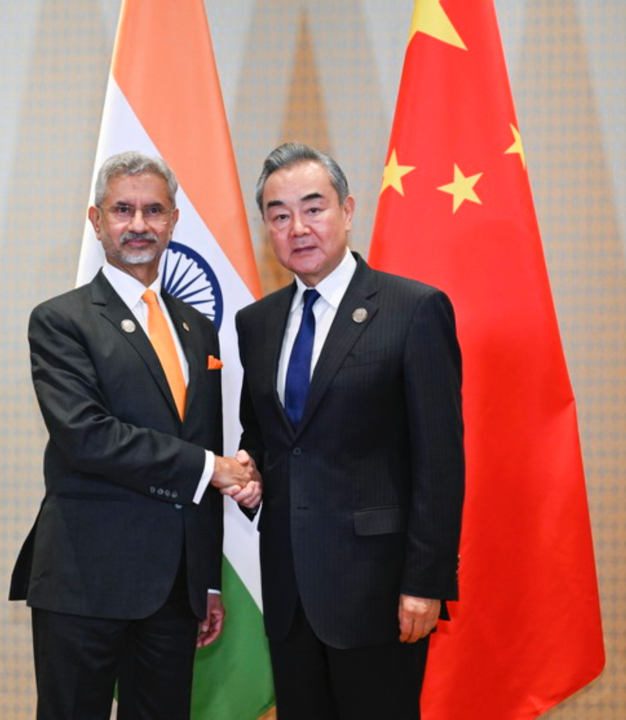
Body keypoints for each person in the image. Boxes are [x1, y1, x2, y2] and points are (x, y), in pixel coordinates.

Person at [9, 150, 261, 720]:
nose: (139, 225)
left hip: (173, 592)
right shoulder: (61, 320)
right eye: (123, 210)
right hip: (84, 582)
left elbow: (204, 434)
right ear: (96, 221)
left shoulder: (199, 330)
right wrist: (210, 468)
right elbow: (86, 435)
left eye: (153, 210)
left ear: (174, 221)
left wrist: (207, 584)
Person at [235, 143, 464, 719]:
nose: (298, 227)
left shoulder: (413, 310)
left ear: (348, 210)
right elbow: (262, 434)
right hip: (289, 594)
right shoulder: (256, 323)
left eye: (314, 208)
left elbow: (440, 462)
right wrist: (247, 471)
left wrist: (425, 582)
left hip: (380, 593)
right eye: (279, 214)